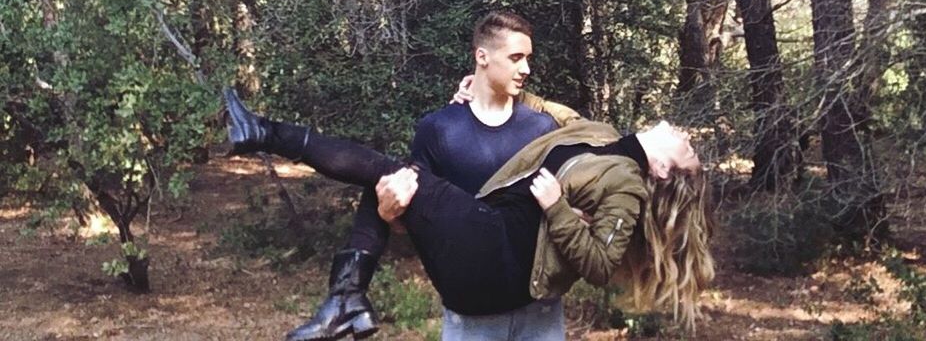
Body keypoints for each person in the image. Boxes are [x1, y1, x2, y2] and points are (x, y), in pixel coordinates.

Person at [223, 89, 713, 335]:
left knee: (394, 173)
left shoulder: (627, 182)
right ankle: (347, 297)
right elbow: (551, 109)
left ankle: (264, 133)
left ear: (666, 171)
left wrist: (557, 208)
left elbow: (601, 266)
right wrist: (486, 92)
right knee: (390, 181)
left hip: (492, 255)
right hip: (486, 247)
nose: (684, 132)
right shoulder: (602, 137)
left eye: (687, 147)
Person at [275, 10, 581, 341]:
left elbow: (567, 208)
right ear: (482, 56)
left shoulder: (541, 128)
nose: (526, 69)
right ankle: (346, 297)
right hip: (471, 318)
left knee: (386, 168)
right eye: (516, 58)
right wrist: (387, 213)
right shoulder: (440, 129)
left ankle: (346, 297)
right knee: (389, 176)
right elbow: (415, 221)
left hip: (541, 313)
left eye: (528, 58)